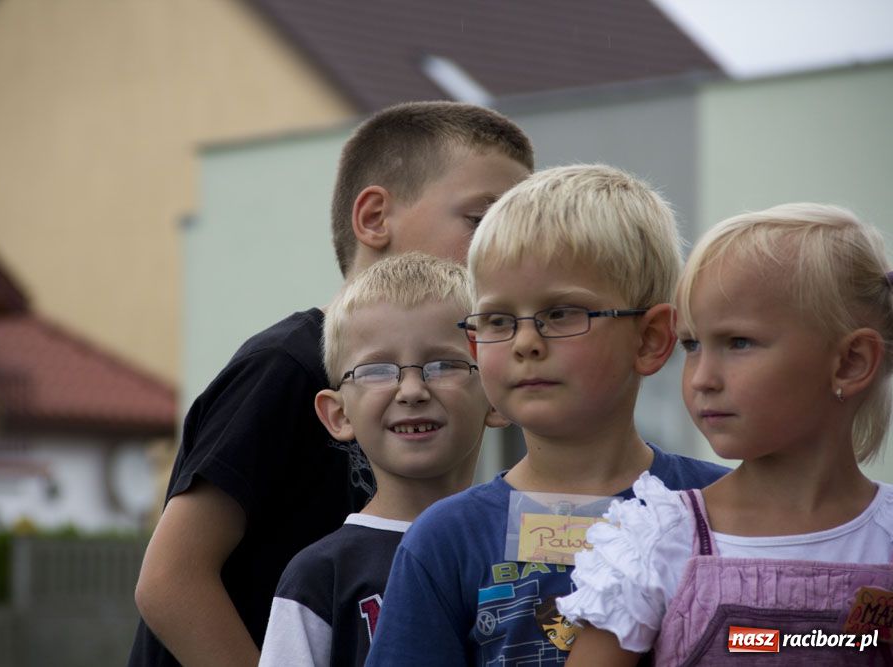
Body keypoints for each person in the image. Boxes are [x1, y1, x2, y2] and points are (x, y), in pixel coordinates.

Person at [128, 101, 533, 667]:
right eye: (482, 222)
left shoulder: (475, 367)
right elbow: (171, 580)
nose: (502, 250)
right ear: (373, 218)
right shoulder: (286, 366)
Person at [365, 164, 728, 667]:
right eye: (498, 320)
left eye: (560, 314)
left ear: (649, 339)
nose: (526, 343)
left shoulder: (726, 513)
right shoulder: (444, 539)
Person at [557, 203, 893, 666]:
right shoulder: (660, 539)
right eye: (693, 345)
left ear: (851, 361)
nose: (701, 378)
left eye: (738, 342)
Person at [259, 252, 508, 667]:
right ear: (338, 415)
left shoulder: (525, 544)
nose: (411, 390)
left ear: (496, 395)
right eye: (377, 370)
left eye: (443, 364)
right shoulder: (320, 576)